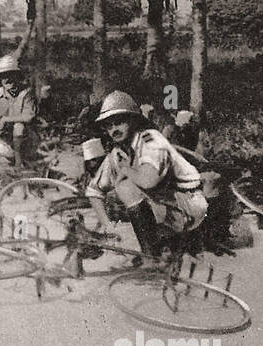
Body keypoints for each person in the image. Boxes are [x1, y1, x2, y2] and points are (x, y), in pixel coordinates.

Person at [82, 91, 207, 264]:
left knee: (125, 187)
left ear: (133, 120)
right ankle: (155, 249)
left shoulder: (150, 140)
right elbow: (93, 190)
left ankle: (152, 256)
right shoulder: (118, 153)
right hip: (164, 205)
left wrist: (125, 169)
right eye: (109, 126)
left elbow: (149, 180)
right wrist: (107, 226)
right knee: (117, 197)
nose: (114, 129)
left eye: (119, 122)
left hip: (189, 203)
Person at [0, 54, 38, 166]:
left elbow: (29, 116)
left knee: (18, 127)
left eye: (11, 75)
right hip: (4, 139)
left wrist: (5, 120)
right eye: (3, 76)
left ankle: (18, 166)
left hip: (25, 142)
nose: (8, 79)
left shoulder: (26, 94)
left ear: (17, 76)